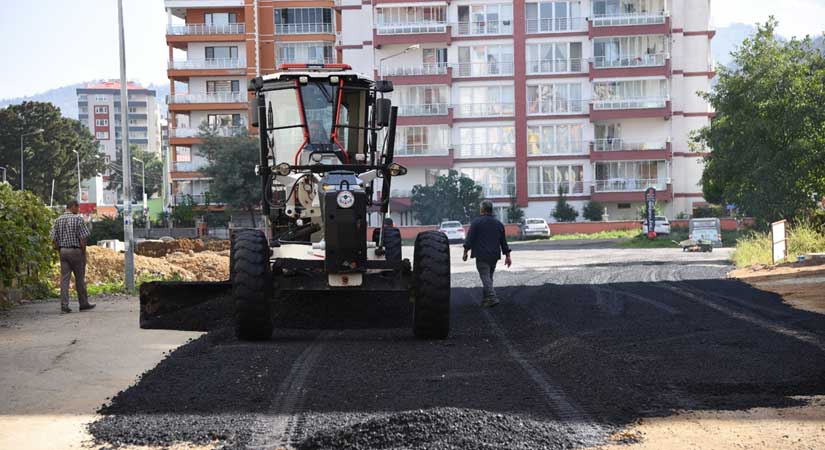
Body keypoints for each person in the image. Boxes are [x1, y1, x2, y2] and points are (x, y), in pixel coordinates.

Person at [462, 201, 512, 307]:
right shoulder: (499, 224)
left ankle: (492, 297)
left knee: (485, 276)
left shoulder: (477, 222)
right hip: (494, 255)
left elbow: (470, 238)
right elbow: (503, 242)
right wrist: (508, 256)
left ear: (482, 210)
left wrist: (465, 252)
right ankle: (486, 300)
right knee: (489, 277)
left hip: (481, 255)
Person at [50, 200, 94, 314]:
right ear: (73, 207)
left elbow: (53, 239)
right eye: (77, 207)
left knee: (64, 279)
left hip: (63, 251)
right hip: (76, 251)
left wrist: (60, 250)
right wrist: (83, 252)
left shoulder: (57, 220)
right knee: (79, 278)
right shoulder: (78, 219)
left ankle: (64, 305)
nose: (78, 210)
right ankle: (83, 304)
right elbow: (83, 238)